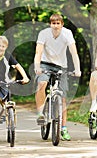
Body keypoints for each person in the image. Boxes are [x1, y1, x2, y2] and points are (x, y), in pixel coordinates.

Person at [34, 13, 81, 141]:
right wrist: (37, 67)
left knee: (63, 98)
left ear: (62, 24)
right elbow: (38, 51)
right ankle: (40, 114)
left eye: (58, 23)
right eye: (53, 23)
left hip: (61, 66)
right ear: (50, 24)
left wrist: (78, 69)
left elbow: (74, 52)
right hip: (45, 64)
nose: (55, 26)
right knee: (41, 84)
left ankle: (64, 128)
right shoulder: (44, 33)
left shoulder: (67, 33)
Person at [0, 36, 30, 125]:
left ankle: (5, 115)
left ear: (6, 47)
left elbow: (18, 66)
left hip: (4, 81)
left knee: (6, 98)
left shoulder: (8, 56)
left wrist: (25, 77)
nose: (0, 48)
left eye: (3, 46)